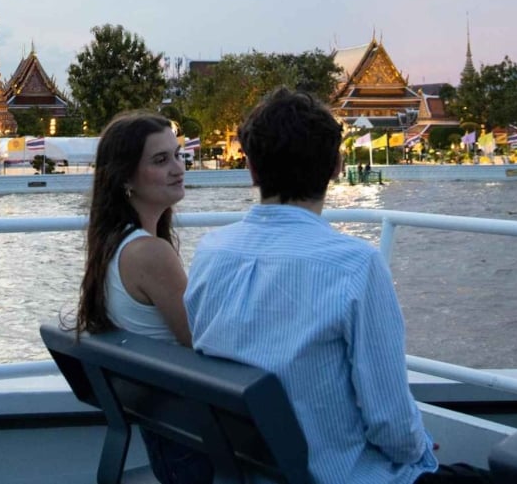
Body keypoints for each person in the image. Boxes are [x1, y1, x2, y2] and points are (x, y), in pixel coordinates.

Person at [185, 87, 488, 484]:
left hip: (248, 469)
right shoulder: (355, 265)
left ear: (253, 169)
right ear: (336, 167)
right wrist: (418, 452)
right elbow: (389, 421)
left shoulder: (211, 252)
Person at [75, 110, 212, 484]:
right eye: (160, 160)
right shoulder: (150, 254)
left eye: (178, 155)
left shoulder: (113, 244)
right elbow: (202, 339)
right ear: (126, 180)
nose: (178, 168)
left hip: (167, 434)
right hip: (193, 443)